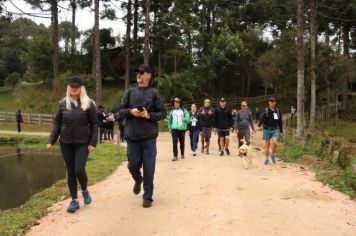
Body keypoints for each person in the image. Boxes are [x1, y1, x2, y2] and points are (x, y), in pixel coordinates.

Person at [47, 76, 98, 213]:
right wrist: (52, 140)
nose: (74, 89)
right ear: (69, 88)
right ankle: (74, 201)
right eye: (72, 86)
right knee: (70, 172)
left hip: (83, 143)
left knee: (79, 169)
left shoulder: (89, 103)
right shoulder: (63, 103)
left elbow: (94, 124)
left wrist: (93, 142)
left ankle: (85, 190)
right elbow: (57, 123)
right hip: (66, 143)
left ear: (81, 88)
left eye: (76, 87)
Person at [119, 64, 166, 208]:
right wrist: (131, 111)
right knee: (132, 165)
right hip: (132, 136)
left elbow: (163, 113)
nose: (138, 74)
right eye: (137, 72)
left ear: (149, 75)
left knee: (149, 167)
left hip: (149, 138)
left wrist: (148, 115)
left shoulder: (154, 93)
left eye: (142, 72)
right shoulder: (129, 92)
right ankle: (138, 179)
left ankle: (148, 197)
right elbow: (120, 111)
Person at [258, 97, 283, 165]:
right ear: (269, 102)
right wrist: (258, 126)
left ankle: (272, 155)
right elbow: (261, 119)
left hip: (274, 130)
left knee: (275, 142)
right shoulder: (265, 110)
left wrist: (281, 131)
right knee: (267, 145)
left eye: (273, 102)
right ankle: (266, 158)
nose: (271, 103)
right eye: (270, 101)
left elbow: (280, 121)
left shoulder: (277, 111)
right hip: (266, 130)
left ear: (275, 103)